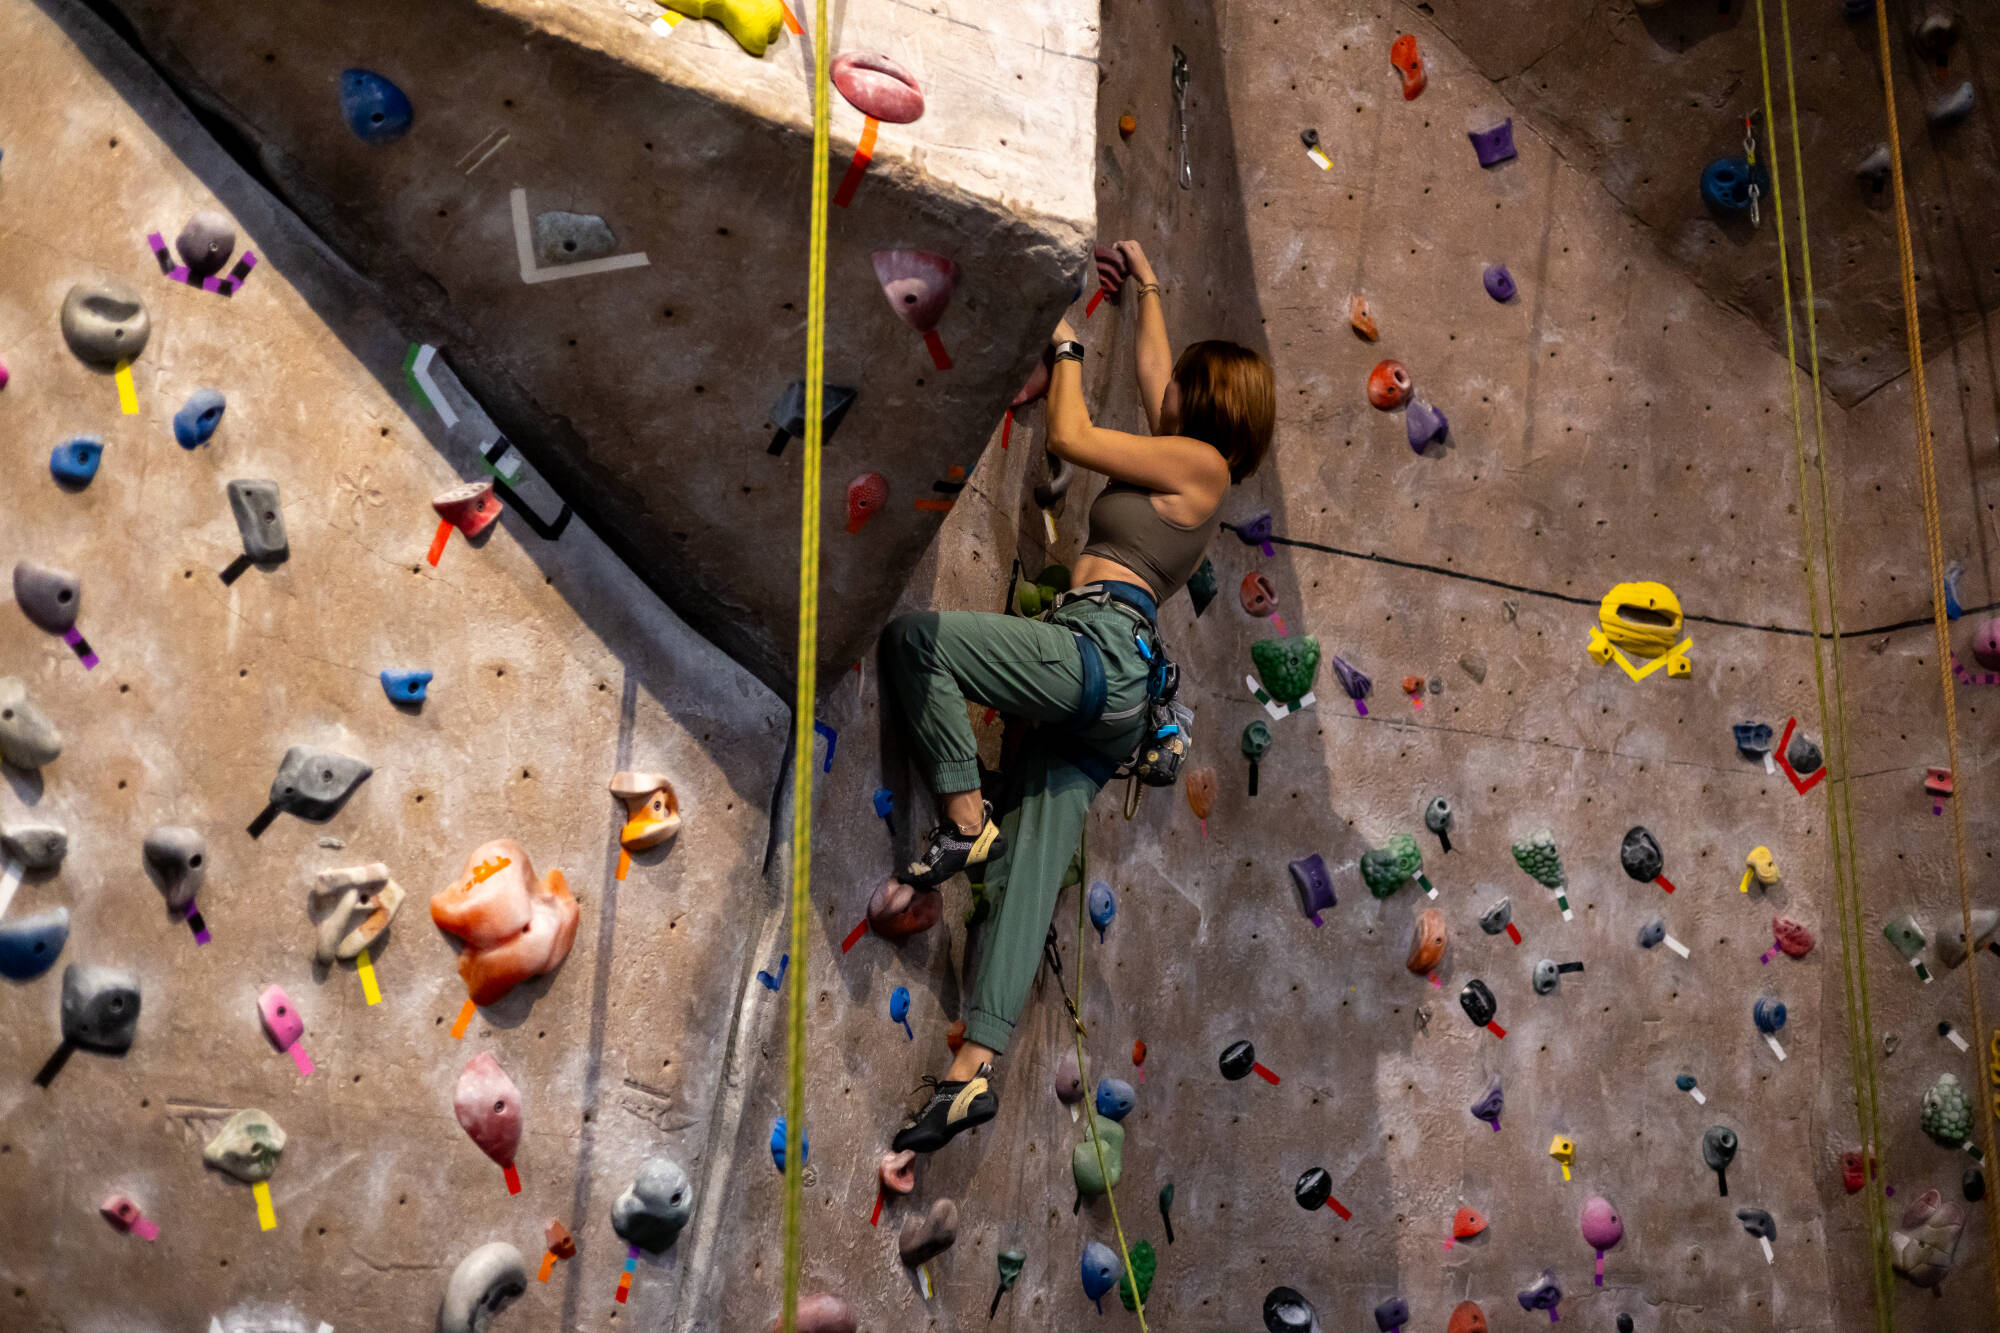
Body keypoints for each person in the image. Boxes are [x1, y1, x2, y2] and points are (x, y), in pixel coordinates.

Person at [878, 240, 1275, 1152]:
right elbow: (1152, 375)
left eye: (1182, 386)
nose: (1165, 387)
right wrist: (1146, 280)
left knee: (918, 643)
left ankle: (966, 815)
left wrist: (1063, 346)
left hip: (1097, 649)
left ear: (1205, 403)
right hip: (1108, 694)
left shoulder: (1200, 469)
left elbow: (1069, 436)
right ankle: (972, 1073)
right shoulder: (1182, 459)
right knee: (1024, 885)